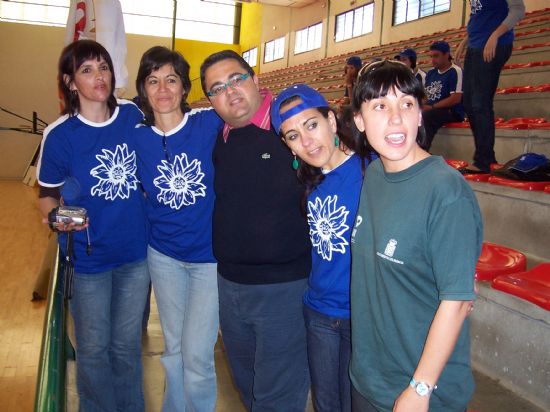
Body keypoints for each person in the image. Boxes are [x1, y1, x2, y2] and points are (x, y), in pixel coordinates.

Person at [351, 60, 482, 411]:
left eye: (407, 104)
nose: (396, 118)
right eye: (380, 106)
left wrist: (420, 389)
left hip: (420, 390)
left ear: (420, 115)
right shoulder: (375, 175)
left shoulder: (445, 191)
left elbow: (456, 302)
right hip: (368, 377)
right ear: (360, 121)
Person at [37, 39, 149, 411]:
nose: (99, 76)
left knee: (126, 347)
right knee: (94, 349)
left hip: (136, 258)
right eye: (87, 70)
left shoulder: (134, 115)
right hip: (88, 263)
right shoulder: (60, 135)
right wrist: (58, 218)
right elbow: (47, 195)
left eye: (103, 67)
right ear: (70, 82)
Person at [200, 50, 311, 411]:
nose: (230, 92)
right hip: (230, 287)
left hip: (284, 288)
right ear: (211, 101)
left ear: (256, 79)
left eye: (236, 79)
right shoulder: (221, 139)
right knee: (248, 387)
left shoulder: (291, 129)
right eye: (217, 88)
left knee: (276, 397)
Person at [271, 84, 374, 412]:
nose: (306, 141)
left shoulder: (371, 169)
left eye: (311, 125)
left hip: (362, 314)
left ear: (331, 120)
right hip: (319, 312)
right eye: (292, 136)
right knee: (326, 404)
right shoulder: (308, 182)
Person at [133, 46, 223, 412]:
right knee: (173, 350)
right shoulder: (136, 137)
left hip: (208, 260)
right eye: (153, 80)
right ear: (144, 89)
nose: (163, 88)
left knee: (197, 356)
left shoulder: (208, 124)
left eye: (171, 79)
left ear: (185, 88)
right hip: (164, 257)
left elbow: (256, 109)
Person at [455, 0, 526, 172]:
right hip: (475, 44)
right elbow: (481, 16)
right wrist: (465, 42)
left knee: (480, 103)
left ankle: (484, 160)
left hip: (494, 44)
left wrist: (495, 35)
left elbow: (518, 9)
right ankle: (484, 156)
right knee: (469, 104)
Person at [422, 41, 465, 150]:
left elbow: (456, 98)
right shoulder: (431, 72)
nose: (432, 60)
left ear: (446, 55)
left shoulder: (455, 71)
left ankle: (422, 149)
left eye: (436, 56)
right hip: (432, 108)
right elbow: (426, 95)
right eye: (431, 56)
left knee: (427, 115)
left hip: (451, 111)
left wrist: (431, 107)